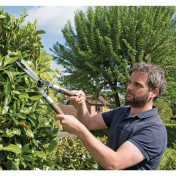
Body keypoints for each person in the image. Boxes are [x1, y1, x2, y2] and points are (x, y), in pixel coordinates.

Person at [56, 62, 167, 170]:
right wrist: (81, 105)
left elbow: (114, 163)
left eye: (137, 84)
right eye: (130, 82)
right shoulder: (121, 112)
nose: (129, 87)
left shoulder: (154, 129)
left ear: (154, 92)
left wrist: (79, 130)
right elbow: (87, 122)